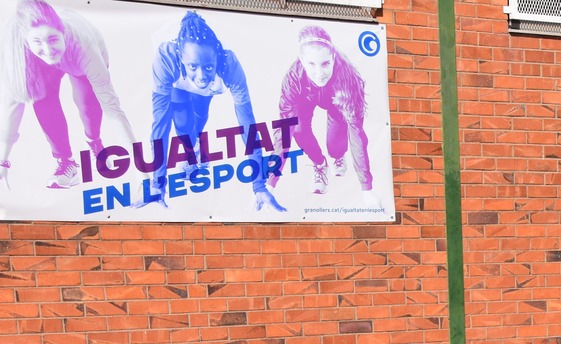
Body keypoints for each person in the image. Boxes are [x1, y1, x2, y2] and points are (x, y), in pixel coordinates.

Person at [147, 11, 283, 212]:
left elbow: (247, 125)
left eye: (208, 67)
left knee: (200, 114)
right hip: (177, 79)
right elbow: (160, 124)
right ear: (182, 58)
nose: (201, 76)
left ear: (216, 61)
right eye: (193, 66)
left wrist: (259, 185)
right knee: (182, 123)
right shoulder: (166, 58)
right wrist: (158, 182)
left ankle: (196, 143)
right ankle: (191, 150)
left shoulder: (229, 64)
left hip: (205, 81)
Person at [0, 0, 134, 191]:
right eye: (37, 42)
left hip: (78, 55)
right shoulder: (19, 50)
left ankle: (94, 142)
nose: (48, 50)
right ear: (27, 41)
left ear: (63, 33)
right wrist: (3, 161)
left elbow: (112, 109)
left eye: (53, 39)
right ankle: (66, 162)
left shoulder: (83, 46)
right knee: (41, 98)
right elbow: (13, 104)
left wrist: (140, 166)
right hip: (38, 59)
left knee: (87, 103)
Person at [272, 26, 379, 207]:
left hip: (336, 96)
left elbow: (357, 135)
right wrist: (269, 185)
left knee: (334, 144)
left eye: (325, 64)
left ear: (333, 58)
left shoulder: (348, 77)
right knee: (297, 129)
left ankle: (338, 155)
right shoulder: (293, 79)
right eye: (311, 64)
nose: (319, 73)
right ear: (302, 61)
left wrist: (367, 189)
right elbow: (283, 135)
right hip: (306, 97)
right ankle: (320, 164)